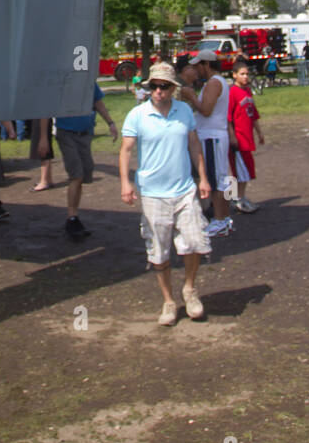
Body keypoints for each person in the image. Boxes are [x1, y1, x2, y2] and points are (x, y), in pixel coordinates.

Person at [120, 62, 211, 325]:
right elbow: (126, 150)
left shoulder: (184, 111)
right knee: (159, 251)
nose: (158, 91)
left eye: (164, 87)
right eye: (154, 86)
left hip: (184, 189)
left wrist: (203, 178)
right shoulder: (137, 115)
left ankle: (190, 290)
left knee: (194, 242)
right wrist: (126, 183)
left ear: (173, 88)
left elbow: (194, 144)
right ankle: (169, 302)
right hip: (152, 193)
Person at [179, 50, 234, 236]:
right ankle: (225, 217)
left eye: (198, 66)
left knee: (215, 178)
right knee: (223, 177)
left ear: (207, 64)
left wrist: (191, 97)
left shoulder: (214, 83)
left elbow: (206, 110)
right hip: (215, 135)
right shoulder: (218, 82)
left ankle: (219, 219)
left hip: (212, 137)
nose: (196, 70)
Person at [54, 83, 118, 241]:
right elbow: (46, 111)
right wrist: (43, 138)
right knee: (76, 175)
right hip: (66, 133)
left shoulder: (89, 82)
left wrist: (110, 123)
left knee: (83, 175)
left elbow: (98, 102)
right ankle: (71, 218)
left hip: (85, 134)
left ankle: (74, 215)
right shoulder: (62, 82)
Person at [227, 59, 264, 212]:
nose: (245, 77)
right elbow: (227, 118)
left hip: (247, 138)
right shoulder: (232, 92)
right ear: (234, 75)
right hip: (238, 139)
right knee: (239, 172)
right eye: (242, 74)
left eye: (247, 74)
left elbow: (253, 115)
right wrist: (232, 136)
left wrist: (259, 132)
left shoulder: (247, 91)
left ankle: (237, 198)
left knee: (246, 170)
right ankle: (236, 200)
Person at [30, 116, 55, 190]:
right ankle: (48, 179)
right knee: (45, 148)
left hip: (42, 120)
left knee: (43, 150)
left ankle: (44, 181)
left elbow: (44, 112)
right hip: (40, 119)